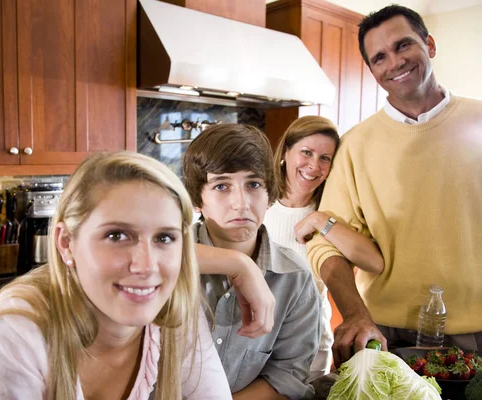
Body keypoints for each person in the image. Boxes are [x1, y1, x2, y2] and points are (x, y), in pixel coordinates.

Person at [0, 152, 232, 400]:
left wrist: (241, 267)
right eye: (117, 235)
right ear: (66, 243)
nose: (146, 266)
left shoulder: (176, 311)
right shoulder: (23, 324)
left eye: (164, 238)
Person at [307, 4, 482, 367]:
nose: (395, 63)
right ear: (372, 70)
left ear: (429, 45)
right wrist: (355, 314)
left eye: (404, 46)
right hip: (386, 334)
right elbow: (326, 243)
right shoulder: (355, 145)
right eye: (380, 57)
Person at [183, 123, 321, 400]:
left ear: (270, 194)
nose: (241, 202)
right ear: (197, 199)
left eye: (254, 184)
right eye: (221, 186)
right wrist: (239, 264)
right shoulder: (163, 255)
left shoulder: (295, 278)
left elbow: (288, 374)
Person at [263, 115, 384, 380]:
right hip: (253, 340)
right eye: (306, 153)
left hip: (310, 344)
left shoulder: (330, 214)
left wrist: (321, 220)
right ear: (285, 153)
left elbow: (374, 263)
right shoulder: (257, 203)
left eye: (325, 158)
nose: (313, 166)